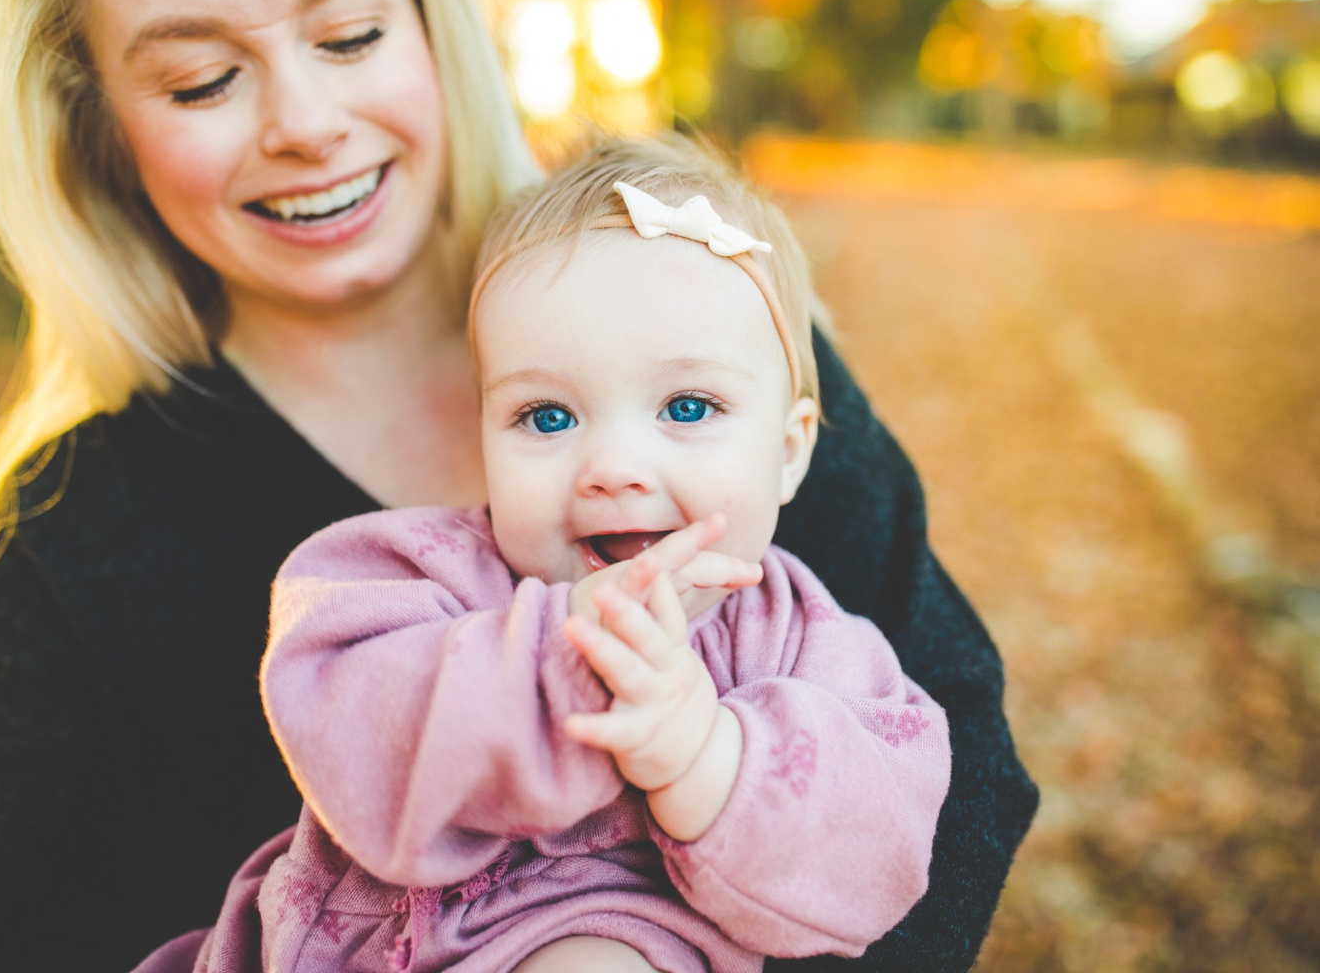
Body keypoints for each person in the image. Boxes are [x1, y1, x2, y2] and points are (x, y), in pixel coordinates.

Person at [0, 0, 1038, 970]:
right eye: (204, 80)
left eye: (351, 34)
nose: (307, 125)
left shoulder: (713, 321)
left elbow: (949, 771)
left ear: (429, 22)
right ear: (101, 131)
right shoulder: (74, 543)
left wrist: (707, 764)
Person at [132, 137, 953, 973]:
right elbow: (346, 710)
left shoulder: (805, 643)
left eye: (689, 406)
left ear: (789, 451)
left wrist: (705, 754)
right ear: (481, 432)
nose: (615, 471)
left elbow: (882, 841)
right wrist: (569, 657)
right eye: (549, 418)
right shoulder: (420, 576)